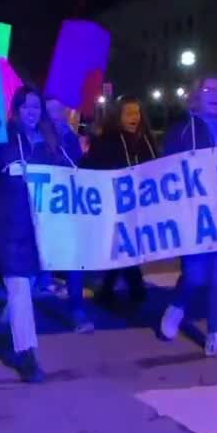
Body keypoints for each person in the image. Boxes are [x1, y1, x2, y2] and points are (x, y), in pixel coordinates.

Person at [0, 85, 67, 382]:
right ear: (16, 110)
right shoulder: (1, 142)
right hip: (9, 228)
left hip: (40, 231)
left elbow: (70, 175)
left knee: (27, 286)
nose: (32, 113)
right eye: (27, 107)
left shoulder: (51, 142)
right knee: (21, 288)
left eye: (37, 107)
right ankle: (27, 355)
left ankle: (9, 319)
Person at [159, 78, 217, 360]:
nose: (214, 94)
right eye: (207, 89)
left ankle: (215, 336)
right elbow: (166, 169)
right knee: (194, 275)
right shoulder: (181, 130)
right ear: (196, 96)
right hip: (192, 212)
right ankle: (177, 306)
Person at [82, 94, 156, 311]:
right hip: (115, 204)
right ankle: (135, 289)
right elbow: (93, 168)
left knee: (125, 246)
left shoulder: (145, 140)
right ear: (118, 117)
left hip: (140, 204)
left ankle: (109, 290)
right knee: (124, 244)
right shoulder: (107, 141)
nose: (134, 117)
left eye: (137, 112)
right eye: (129, 113)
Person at [43, 95, 92, 333]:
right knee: (35, 256)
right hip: (42, 207)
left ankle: (77, 310)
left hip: (67, 205)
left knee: (74, 258)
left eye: (58, 110)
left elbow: (79, 167)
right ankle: (16, 308)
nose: (55, 115)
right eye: (49, 111)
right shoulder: (35, 137)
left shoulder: (70, 137)